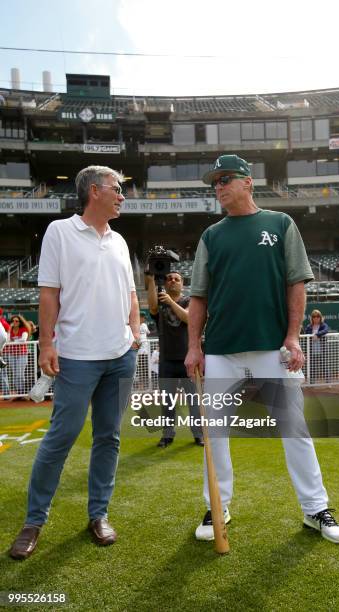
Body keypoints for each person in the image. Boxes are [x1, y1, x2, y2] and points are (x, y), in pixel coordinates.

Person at [185, 154, 339, 545]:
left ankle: (315, 510)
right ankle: (217, 505)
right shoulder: (212, 235)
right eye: (215, 182)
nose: (218, 187)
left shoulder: (280, 224)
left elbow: (297, 282)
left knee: (295, 430)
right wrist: (194, 346)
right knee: (217, 433)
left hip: (272, 348)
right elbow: (198, 296)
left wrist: (293, 337)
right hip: (222, 349)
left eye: (225, 179)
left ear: (247, 182)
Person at [9, 165, 140, 560]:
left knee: (109, 438)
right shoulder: (59, 232)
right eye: (117, 189)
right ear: (95, 191)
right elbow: (49, 294)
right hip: (77, 358)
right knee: (60, 438)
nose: (122, 196)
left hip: (121, 357)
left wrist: (135, 331)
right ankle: (34, 521)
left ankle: (98, 515)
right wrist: (46, 343)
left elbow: (132, 295)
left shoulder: (119, 240)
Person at [147, 272, 204, 448]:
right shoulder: (160, 302)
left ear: (182, 284)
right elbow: (152, 308)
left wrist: (171, 302)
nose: (172, 281)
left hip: (188, 360)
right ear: (164, 283)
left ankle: (198, 434)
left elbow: (188, 318)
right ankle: (167, 435)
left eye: (176, 279)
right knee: (167, 402)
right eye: (169, 278)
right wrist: (150, 280)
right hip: (166, 360)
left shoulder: (188, 301)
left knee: (194, 401)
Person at [2, 314, 30, 397]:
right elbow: (7, 340)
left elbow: (23, 339)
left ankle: (22, 392)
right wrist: (9, 329)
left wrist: (13, 341)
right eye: (13, 321)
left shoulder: (24, 329)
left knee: (19, 373)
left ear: (20, 322)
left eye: (16, 321)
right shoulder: (10, 330)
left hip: (22, 354)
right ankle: (19, 393)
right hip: (12, 354)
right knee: (14, 374)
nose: (14, 322)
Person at [304, 310, 329, 383]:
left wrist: (317, 335)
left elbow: (326, 330)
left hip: (322, 350)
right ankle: (312, 382)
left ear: (320, 317)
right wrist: (306, 351)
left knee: (324, 366)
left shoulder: (323, 325)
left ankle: (328, 382)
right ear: (312, 318)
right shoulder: (309, 326)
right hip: (312, 350)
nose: (316, 318)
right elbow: (306, 337)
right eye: (314, 316)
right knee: (312, 367)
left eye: (318, 316)